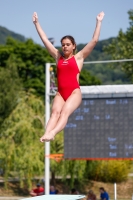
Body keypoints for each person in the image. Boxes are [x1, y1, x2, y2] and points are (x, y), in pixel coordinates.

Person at [32, 11, 105, 142]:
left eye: (68, 44)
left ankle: (53, 133)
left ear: (74, 46)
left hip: (74, 92)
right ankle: (47, 133)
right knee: (54, 113)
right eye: (63, 44)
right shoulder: (57, 56)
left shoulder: (79, 58)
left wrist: (98, 22)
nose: (65, 47)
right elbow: (44, 39)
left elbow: (94, 41)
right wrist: (37, 23)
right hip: (61, 93)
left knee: (64, 113)